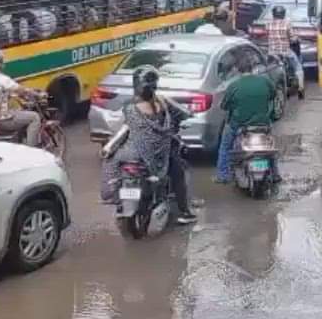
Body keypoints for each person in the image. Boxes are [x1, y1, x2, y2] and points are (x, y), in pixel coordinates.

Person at [102, 65, 197, 225]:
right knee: (178, 173)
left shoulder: (128, 106)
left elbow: (121, 127)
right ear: (154, 84)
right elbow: (183, 113)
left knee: (113, 165)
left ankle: (118, 203)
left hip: (131, 153)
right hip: (158, 155)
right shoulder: (163, 102)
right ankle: (184, 211)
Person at [215, 54, 276, 185]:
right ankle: (275, 173)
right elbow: (273, 95)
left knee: (225, 147)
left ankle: (222, 175)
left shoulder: (234, 86)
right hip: (262, 124)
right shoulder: (264, 81)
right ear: (253, 68)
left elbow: (224, 106)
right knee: (269, 147)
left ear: (237, 69)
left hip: (239, 125)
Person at [0, 48, 43, 146]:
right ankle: (31, 150)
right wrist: (37, 94)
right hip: (0, 121)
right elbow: (22, 90)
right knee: (34, 117)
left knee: (15, 110)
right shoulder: (1, 79)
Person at [265, 5, 303, 90]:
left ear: (273, 14)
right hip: (285, 52)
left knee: (267, 68)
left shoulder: (268, 24)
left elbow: (267, 35)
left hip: (272, 52)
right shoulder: (287, 23)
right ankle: (301, 88)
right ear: (283, 14)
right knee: (298, 66)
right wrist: (296, 38)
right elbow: (292, 38)